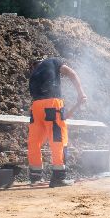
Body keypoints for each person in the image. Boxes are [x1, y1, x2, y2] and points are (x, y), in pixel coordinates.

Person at [27, 52, 87, 187]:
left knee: (34, 141)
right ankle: (58, 178)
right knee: (58, 140)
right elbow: (72, 74)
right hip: (52, 105)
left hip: (36, 107)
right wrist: (81, 92)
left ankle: (35, 177)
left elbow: (64, 117)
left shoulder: (33, 75)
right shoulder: (53, 61)